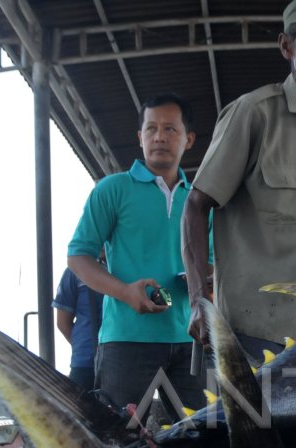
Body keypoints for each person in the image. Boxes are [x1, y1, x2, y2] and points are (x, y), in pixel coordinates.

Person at [181, 0, 296, 356]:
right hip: (249, 332)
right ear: (286, 46)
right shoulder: (254, 114)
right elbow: (195, 205)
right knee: (249, 414)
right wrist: (198, 303)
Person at [67, 92, 206, 425]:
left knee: (204, 442)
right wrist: (126, 292)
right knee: (123, 443)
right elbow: (79, 256)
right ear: (139, 137)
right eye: (151, 128)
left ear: (188, 139)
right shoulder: (112, 189)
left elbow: (212, 260)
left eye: (171, 129)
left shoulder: (200, 199)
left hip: (192, 339)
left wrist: (205, 279)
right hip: (126, 339)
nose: (160, 136)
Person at [48, 268, 102, 448]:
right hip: (85, 364)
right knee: (71, 435)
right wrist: (84, 347)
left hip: (122, 359)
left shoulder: (129, 259)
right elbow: (63, 322)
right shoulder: (76, 272)